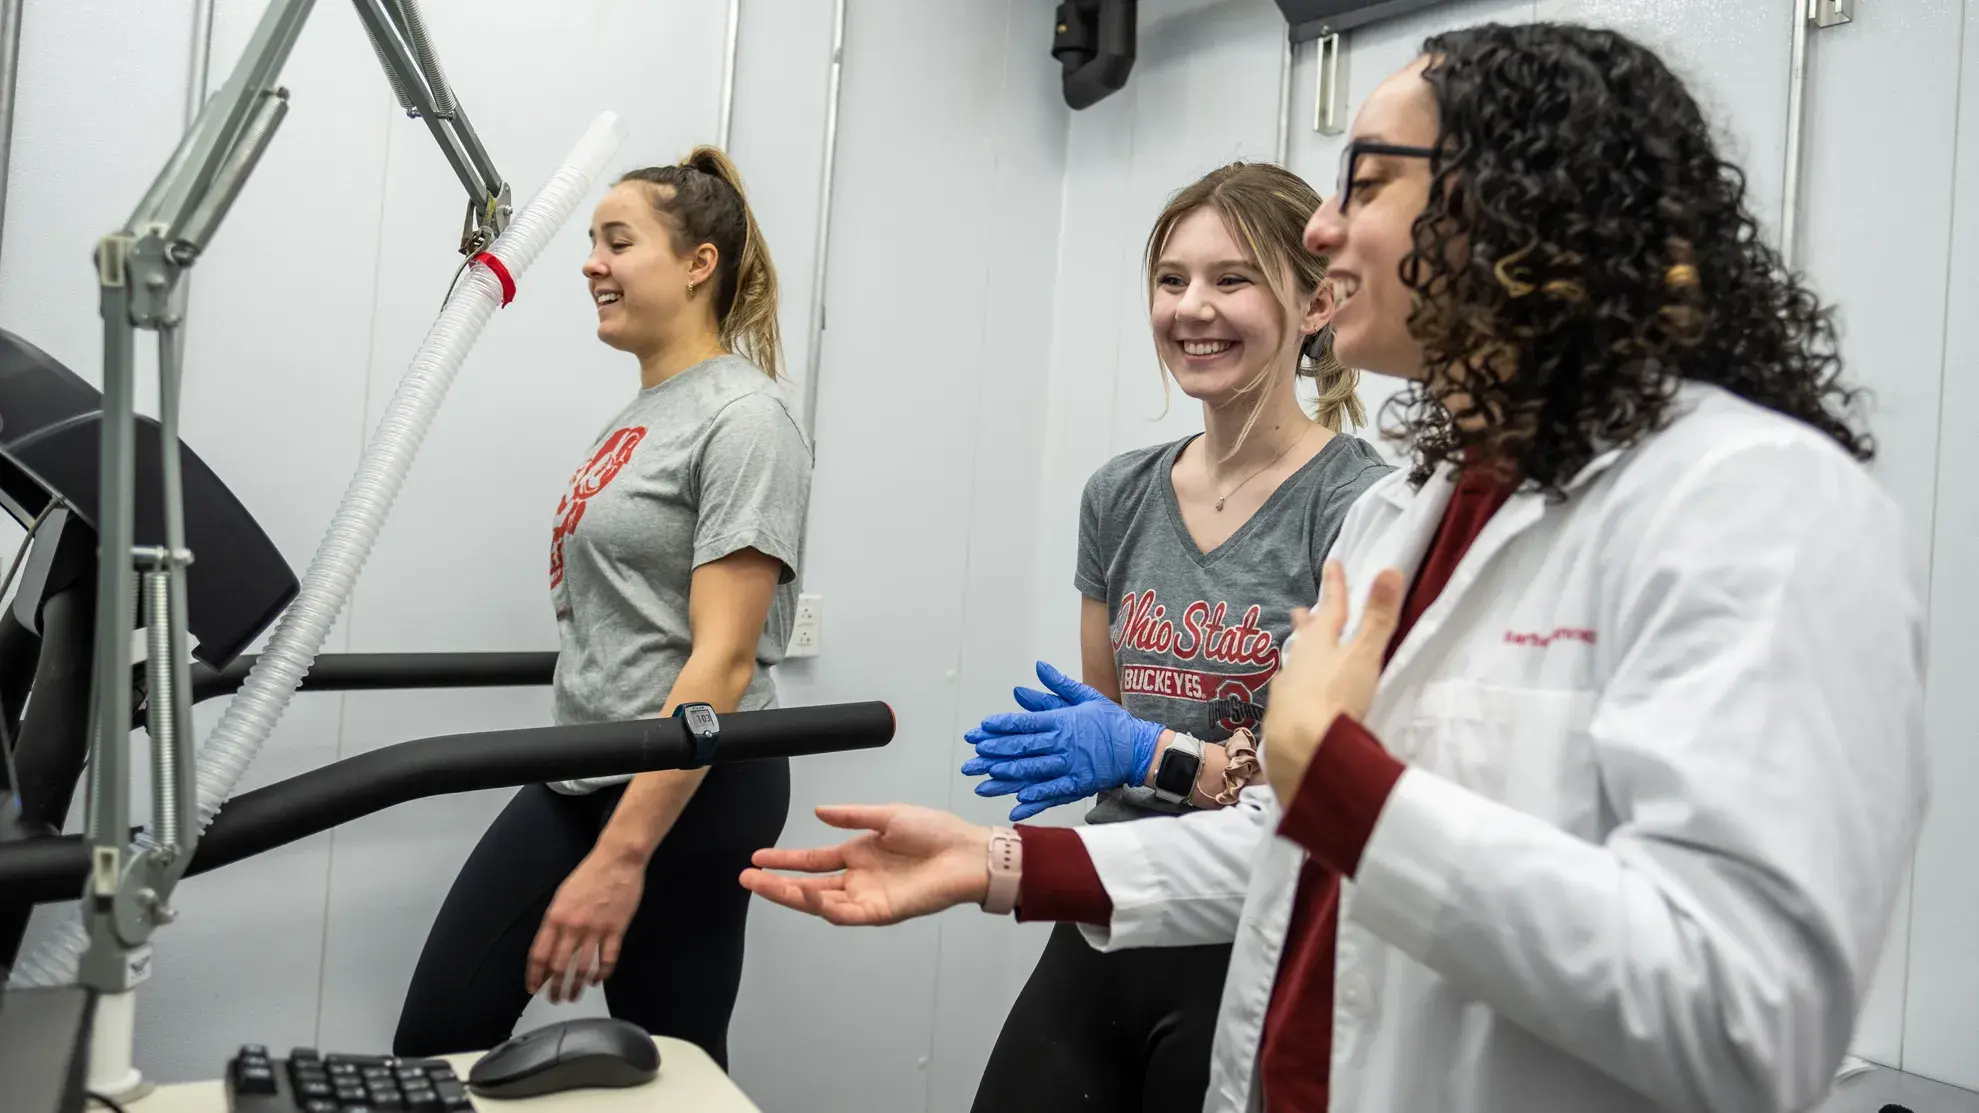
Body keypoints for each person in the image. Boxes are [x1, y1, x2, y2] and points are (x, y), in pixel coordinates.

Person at [740, 22, 1928, 1113]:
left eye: (1363, 185)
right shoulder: (1408, 514)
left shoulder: (1752, 501)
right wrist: (1000, 862)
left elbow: (1746, 1017)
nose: (1319, 231)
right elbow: (1293, 839)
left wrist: (1344, 785)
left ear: (1511, 204)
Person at [962, 162, 1390, 1113]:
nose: (1193, 307)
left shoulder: (1357, 503)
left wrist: (1155, 754)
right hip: (1109, 898)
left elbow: (1318, 779)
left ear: (1314, 302)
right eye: (1171, 280)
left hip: (1248, 936)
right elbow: (1109, 727)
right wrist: (1140, 752)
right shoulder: (1117, 495)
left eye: (1231, 279)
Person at [395, 146, 811, 1070]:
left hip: (693, 782)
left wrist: (622, 857)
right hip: (585, 763)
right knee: (436, 1037)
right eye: (591, 241)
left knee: (672, 1063)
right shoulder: (641, 414)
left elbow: (724, 663)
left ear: (698, 263)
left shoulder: (746, 420)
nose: (592, 263)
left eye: (617, 242)